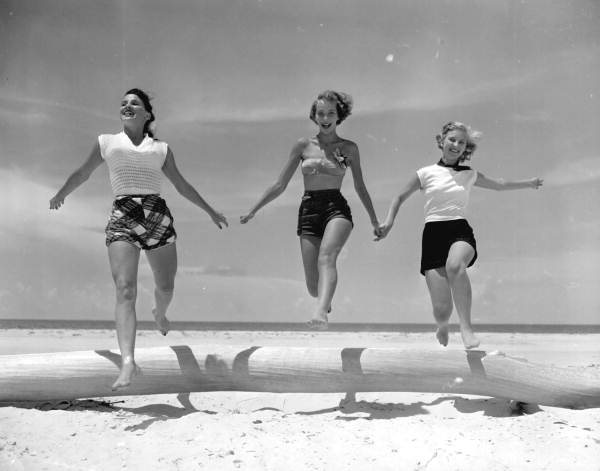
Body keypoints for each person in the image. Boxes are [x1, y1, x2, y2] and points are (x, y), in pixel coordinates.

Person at [49, 88, 228, 389]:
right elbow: (83, 173)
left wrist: (209, 210)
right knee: (125, 289)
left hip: (157, 214)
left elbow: (182, 185)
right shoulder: (106, 142)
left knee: (165, 285)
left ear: (147, 114)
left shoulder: (161, 148)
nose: (127, 106)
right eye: (123, 103)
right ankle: (128, 362)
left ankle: (160, 312)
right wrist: (60, 194)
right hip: (123, 215)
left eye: (134, 103)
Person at [376, 121, 543, 349]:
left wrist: (529, 183)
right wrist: (388, 223)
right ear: (441, 141)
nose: (456, 144)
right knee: (441, 309)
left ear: (466, 148)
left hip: (459, 231)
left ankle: (466, 328)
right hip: (433, 235)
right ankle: (443, 326)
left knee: (456, 265)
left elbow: (500, 185)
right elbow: (399, 197)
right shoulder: (425, 173)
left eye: (462, 142)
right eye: (452, 140)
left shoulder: (469, 174)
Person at [240, 90, 380, 329]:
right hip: (309, 209)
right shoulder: (303, 146)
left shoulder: (349, 149)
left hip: (337, 207)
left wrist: (374, 221)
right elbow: (280, 184)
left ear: (339, 116)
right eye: (321, 113)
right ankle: (323, 299)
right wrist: (254, 209)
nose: (325, 118)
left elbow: (360, 187)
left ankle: (321, 314)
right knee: (312, 285)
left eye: (331, 113)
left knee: (327, 257)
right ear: (314, 116)